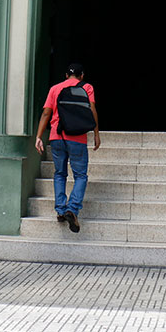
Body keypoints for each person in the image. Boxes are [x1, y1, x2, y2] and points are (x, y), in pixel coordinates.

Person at [34, 63, 100, 233]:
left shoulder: (55, 89)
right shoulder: (87, 87)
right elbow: (92, 109)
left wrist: (39, 136)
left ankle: (61, 210)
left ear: (65, 75)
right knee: (80, 176)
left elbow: (46, 113)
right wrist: (96, 133)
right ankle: (73, 208)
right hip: (77, 138)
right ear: (82, 75)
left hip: (57, 137)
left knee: (60, 174)